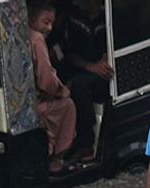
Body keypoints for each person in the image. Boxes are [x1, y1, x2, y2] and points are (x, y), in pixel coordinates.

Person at [58, 0, 111, 163]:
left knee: (80, 86)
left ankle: (86, 143)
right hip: (82, 69)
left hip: (107, 74)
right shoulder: (74, 18)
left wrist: (107, 59)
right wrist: (90, 66)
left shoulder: (108, 17)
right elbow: (70, 52)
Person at [28, 3, 77, 174]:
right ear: (33, 18)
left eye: (51, 24)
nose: (49, 28)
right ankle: (56, 160)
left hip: (24, 103)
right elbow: (47, 81)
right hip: (34, 105)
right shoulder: (36, 39)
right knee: (68, 105)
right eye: (45, 22)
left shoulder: (21, 34)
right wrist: (63, 91)